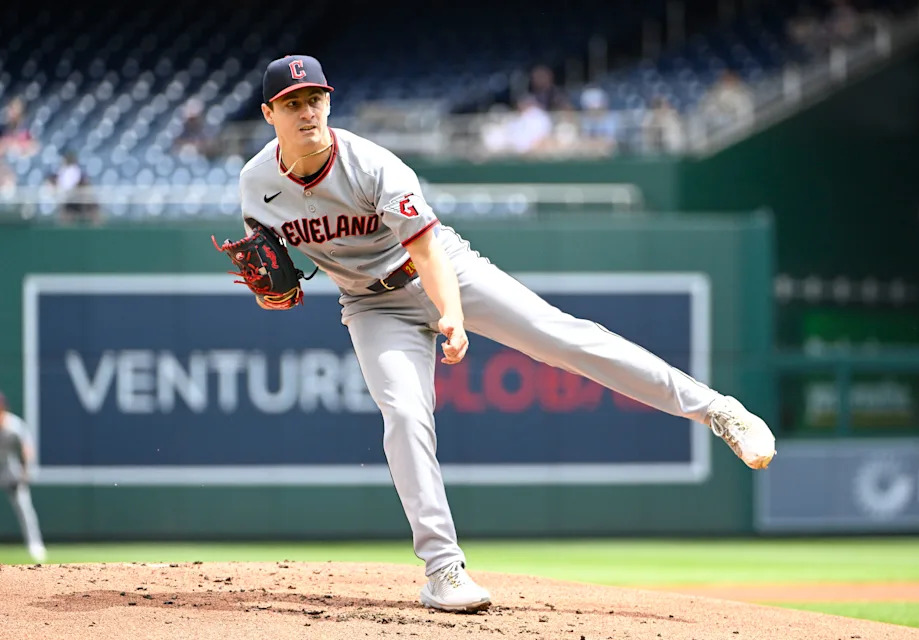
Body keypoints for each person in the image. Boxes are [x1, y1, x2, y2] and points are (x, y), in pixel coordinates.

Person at [238, 54, 777, 613]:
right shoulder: (256, 183)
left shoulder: (373, 164)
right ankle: (444, 570)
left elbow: (425, 249)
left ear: (329, 101)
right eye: (292, 104)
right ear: (268, 113)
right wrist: (271, 291)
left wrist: (449, 312)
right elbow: (269, 260)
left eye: (316, 99)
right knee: (403, 414)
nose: (307, 113)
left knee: (563, 338)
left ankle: (718, 411)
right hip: (372, 307)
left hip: (443, 272)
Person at [0, 391, 46, 563]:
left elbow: (27, 449)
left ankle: (35, 546)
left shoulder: (14, 425)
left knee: (24, 507)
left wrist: (26, 470)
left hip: (9, 468)